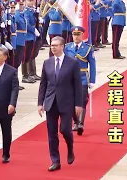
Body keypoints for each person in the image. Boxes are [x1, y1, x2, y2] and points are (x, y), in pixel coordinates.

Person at [37, 36, 82, 172]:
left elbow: (77, 85)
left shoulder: (72, 63)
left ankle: (70, 147)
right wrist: (40, 103)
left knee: (64, 130)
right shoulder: (47, 63)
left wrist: (78, 104)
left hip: (67, 102)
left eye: (56, 45)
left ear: (63, 46)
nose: (53, 48)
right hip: (50, 102)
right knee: (51, 133)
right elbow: (43, 84)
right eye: (52, 45)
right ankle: (55, 160)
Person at [65, 26, 96, 135]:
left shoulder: (88, 48)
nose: (76, 37)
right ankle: (76, 122)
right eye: (74, 34)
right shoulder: (67, 47)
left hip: (82, 76)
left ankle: (80, 124)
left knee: (82, 100)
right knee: (71, 101)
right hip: (70, 78)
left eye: (78, 34)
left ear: (82, 35)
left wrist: (92, 80)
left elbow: (92, 64)